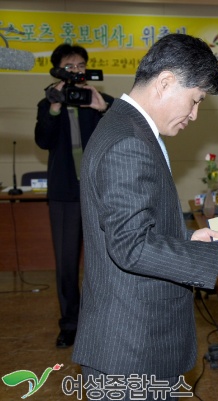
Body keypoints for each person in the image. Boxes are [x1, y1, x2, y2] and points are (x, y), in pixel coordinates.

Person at [72, 33, 218, 400]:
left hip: (132, 343)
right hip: (129, 351)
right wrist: (217, 255)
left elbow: (132, 228)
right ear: (165, 82)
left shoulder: (125, 127)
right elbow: (130, 246)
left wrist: (188, 240)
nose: (194, 114)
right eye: (195, 100)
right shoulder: (128, 140)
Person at [34, 43, 114, 348]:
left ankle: (103, 319)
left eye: (81, 65)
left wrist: (103, 108)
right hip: (65, 194)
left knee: (105, 261)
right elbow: (43, 140)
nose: (77, 70)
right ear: (57, 70)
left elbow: (128, 124)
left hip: (99, 193)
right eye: (70, 66)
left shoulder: (97, 99)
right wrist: (54, 108)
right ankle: (69, 324)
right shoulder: (48, 102)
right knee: (66, 263)